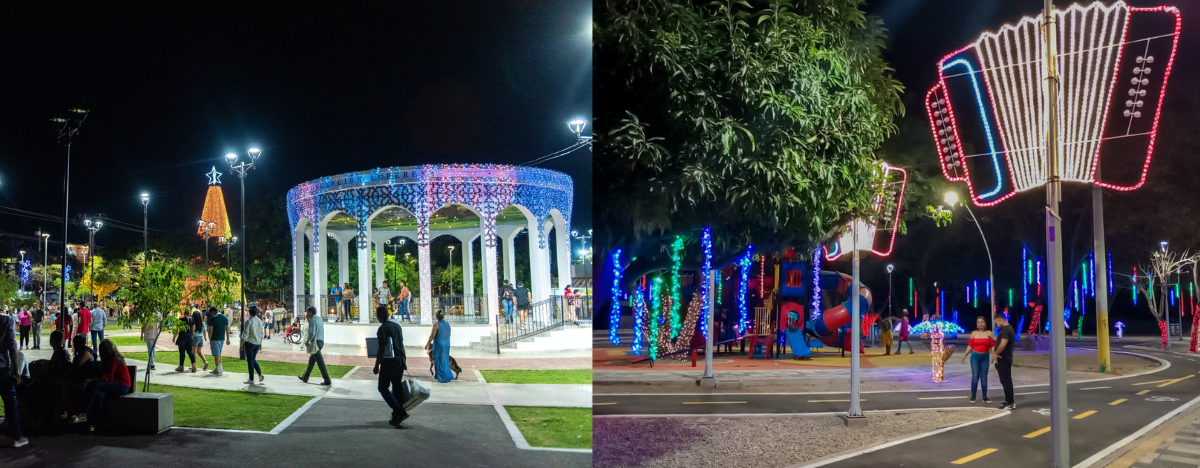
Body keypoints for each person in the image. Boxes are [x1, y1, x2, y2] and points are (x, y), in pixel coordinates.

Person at [82, 339, 131, 432]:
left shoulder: (114, 360)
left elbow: (107, 378)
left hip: (122, 385)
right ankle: (98, 423)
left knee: (96, 386)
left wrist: (91, 380)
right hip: (114, 384)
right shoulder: (110, 359)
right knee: (98, 395)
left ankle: (84, 411)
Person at [373, 305, 408, 427]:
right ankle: (396, 415)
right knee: (396, 386)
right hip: (400, 359)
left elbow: (382, 348)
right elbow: (401, 343)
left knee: (383, 387)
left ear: (380, 316)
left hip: (389, 362)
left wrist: (377, 365)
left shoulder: (383, 329)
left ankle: (399, 411)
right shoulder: (397, 326)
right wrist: (404, 361)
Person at [0, 312, 26, 447]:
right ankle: (16, 436)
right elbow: (12, 346)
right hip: (2, 367)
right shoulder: (6, 321)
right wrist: (16, 370)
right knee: (10, 401)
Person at [962, 315, 996, 404]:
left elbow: (993, 345)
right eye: (978, 322)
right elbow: (970, 346)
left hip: (985, 357)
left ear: (985, 323)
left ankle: (985, 396)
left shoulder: (989, 333)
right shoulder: (974, 333)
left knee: (984, 378)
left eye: (982, 322)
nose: (980, 324)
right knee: (975, 377)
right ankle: (973, 396)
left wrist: (994, 355)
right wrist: (965, 355)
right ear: (977, 324)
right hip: (975, 357)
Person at [298, 306, 331, 385]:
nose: (306, 314)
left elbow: (312, 332)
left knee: (320, 362)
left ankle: (327, 379)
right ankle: (305, 376)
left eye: (307, 312)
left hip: (315, 342)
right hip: (321, 341)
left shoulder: (312, 320)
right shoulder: (320, 319)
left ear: (310, 312)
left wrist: (308, 340)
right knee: (312, 360)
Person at [993, 311, 1016, 410]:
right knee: (1005, 380)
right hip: (1005, 358)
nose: (997, 325)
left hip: (1004, 358)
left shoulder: (1006, 330)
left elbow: (1003, 344)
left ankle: (1010, 402)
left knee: (1006, 380)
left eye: (996, 323)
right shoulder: (1007, 329)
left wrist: (996, 354)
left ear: (1000, 320)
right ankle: (1008, 400)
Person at [424, 310, 454, 383]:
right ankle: (447, 375)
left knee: (438, 360)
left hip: (439, 344)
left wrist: (427, 344)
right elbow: (449, 333)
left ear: (437, 317)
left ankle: (442, 377)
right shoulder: (447, 324)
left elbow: (432, 335)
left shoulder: (436, 325)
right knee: (445, 359)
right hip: (447, 343)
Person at [241, 306, 265, 385]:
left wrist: (241, 344)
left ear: (250, 312)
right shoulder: (259, 321)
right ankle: (260, 374)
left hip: (250, 342)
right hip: (257, 343)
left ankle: (251, 378)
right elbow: (261, 333)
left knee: (250, 360)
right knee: (252, 359)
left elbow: (245, 334)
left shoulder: (248, 321)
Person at [207, 307, 230, 376]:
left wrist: (210, 338)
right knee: (219, 353)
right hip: (222, 338)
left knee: (216, 354)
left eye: (211, 313)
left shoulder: (213, 318)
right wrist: (228, 338)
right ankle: (220, 366)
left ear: (213, 311)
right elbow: (227, 328)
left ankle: (217, 368)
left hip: (215, 338)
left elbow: (210, 329)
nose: (211, 314)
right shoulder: (224, 317)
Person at [191, 308, 209, 372]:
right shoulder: (202, 323)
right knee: (199, 352)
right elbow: (204, 331)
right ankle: (205, 361)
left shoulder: (194, 323)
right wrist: (205, 337)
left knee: (194, 353)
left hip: (195, 337)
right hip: (201, 338)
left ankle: (194, 366)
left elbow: (193, 331)